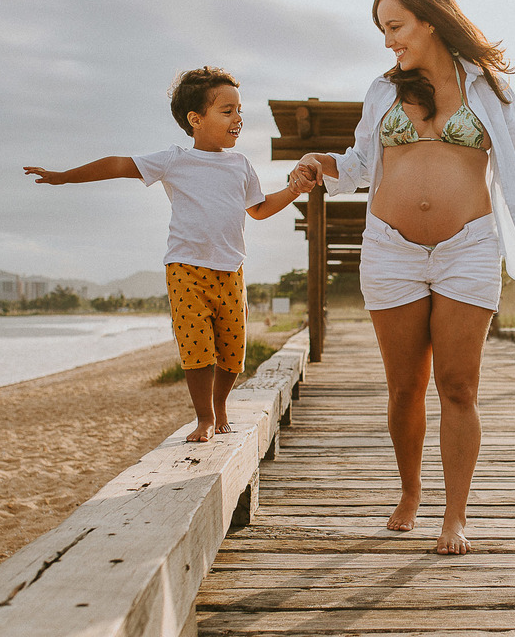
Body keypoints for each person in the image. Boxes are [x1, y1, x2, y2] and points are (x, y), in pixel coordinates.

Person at [294, 0, 515, 555]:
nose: (388, 41)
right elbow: (363, 164)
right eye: (382, 31)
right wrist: (323, 163)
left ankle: (455, 516)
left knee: (459, 385)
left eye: (395, 27)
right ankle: (411, 491)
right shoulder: (382, 90)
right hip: (390, 251)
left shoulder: (489, 90)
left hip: (467, 248)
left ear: (431, 20)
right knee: (404, 388)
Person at [25, 66, 314, 443]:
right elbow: (117, 164)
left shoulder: (240, 165)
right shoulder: (175, 160)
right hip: (185, 270)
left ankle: (221, 403)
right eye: (227, 111)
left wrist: (293, 189)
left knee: (232, 353)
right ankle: (205, 417)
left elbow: (258, 209)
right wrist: (63, 176)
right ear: (196, 119)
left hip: (231, 271)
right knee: (197, 348)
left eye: (239, 110)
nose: (238, 119)